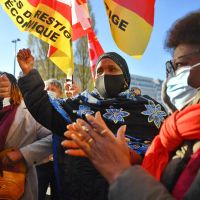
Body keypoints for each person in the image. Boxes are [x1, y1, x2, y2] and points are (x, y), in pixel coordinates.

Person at [62, 11, 200, 200]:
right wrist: (137, 159)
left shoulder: (155, 111)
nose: (174, 77)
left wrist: (121, 173)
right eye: (173, 67)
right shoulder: (177, 127)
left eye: (182, 65)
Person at [17, 50, 167, 200]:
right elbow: (44, 108)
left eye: (112, 69)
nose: (104, 75)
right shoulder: (80, 104)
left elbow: (164, 151)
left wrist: (131, 156)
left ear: (125, 77)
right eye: (100, 71)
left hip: (131, 190)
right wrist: (29, 73)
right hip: (82, 192)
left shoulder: (149, 108)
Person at [0, 72, 52, 200]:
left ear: (13, 88)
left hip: (16, 184)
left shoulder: (29, 113)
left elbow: (52, 137)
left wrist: (23, 154)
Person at [36, 78, 63, 200]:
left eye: (53, 89)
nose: (50, 91)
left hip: (59, 162)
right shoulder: (36, 109)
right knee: (38, 193)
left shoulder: (64, 108)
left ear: (60, 93)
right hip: (41, 161)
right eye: (47, 89)